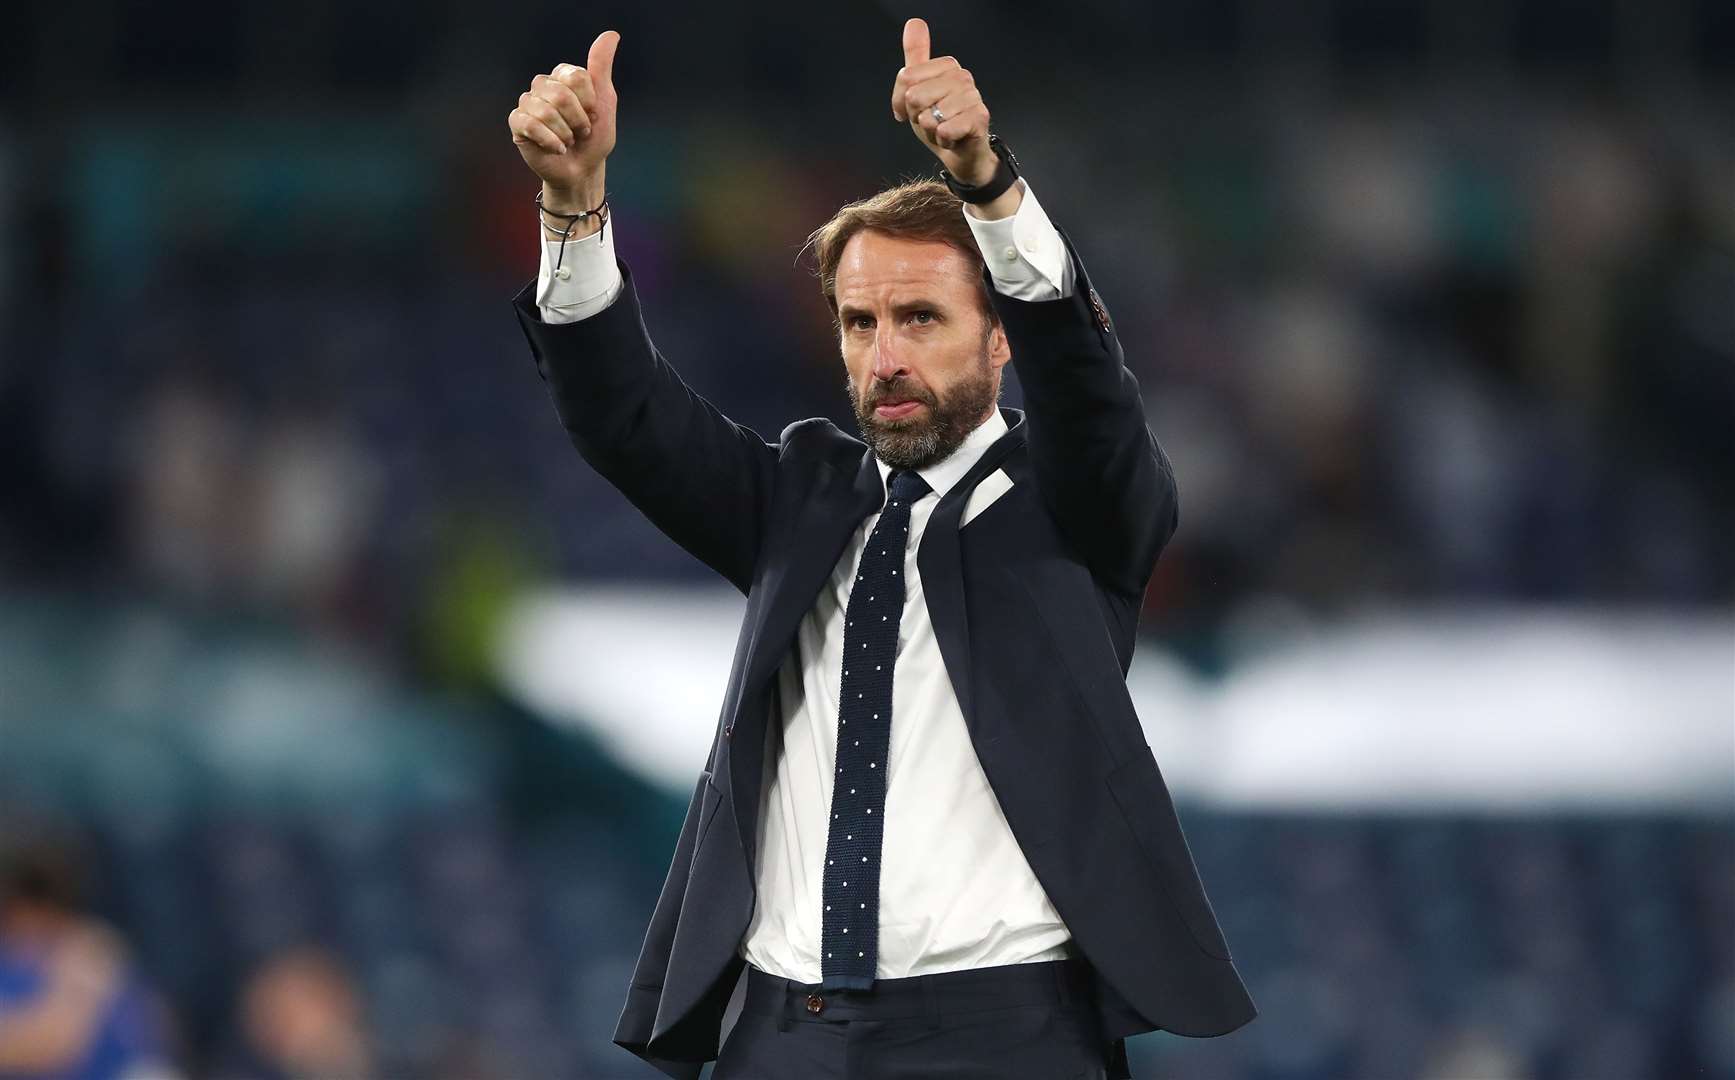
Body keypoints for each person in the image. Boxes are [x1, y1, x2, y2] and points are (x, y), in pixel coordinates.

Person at [506, 17, 1256, 1079]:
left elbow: (1087, 393)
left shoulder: (1078, 505)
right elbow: (622, 417)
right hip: (782, 1031)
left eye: (920, 318)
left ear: (999, 336)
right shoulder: (796, 496)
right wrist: (573, 205)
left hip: (1004, 1034)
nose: (885, 355)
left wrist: (987, 184)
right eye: (860, 324)